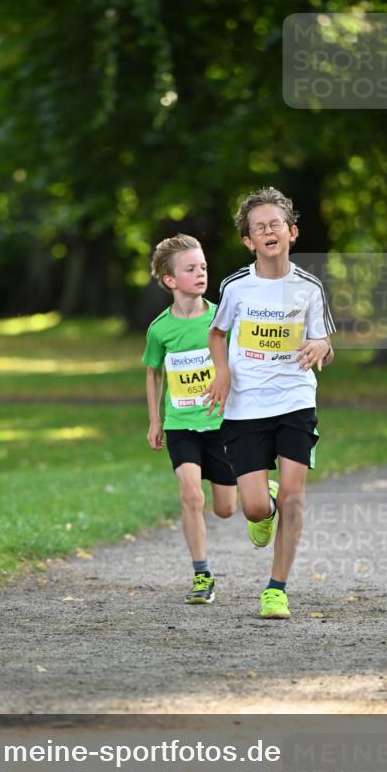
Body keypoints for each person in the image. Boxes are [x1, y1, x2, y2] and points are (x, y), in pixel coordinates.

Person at [205, 187, 335, 620]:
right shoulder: (236, 286)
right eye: (258, 227)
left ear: (292, 232)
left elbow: (324, 343)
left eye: (275, 223)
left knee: (296, 498)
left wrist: (320, 347)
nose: (267, 230)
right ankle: (266, 502)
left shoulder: (309, 287)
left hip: (295, 399)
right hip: (245, 405)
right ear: (248, 241)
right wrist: (221, 372)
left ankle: (276, 588)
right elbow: (217, 333)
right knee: (257, 506)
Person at [143, 234, 237, 605]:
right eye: (191, 269)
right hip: (181, 425)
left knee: (226, 509)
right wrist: (155, 420)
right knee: (191, 494)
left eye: (203, 267)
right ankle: (202, 574)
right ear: (170, 280)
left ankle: (265, 495)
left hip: (219, 423)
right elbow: (152, 372)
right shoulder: (159, 329)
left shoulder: (220, 318)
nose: (201, 274)